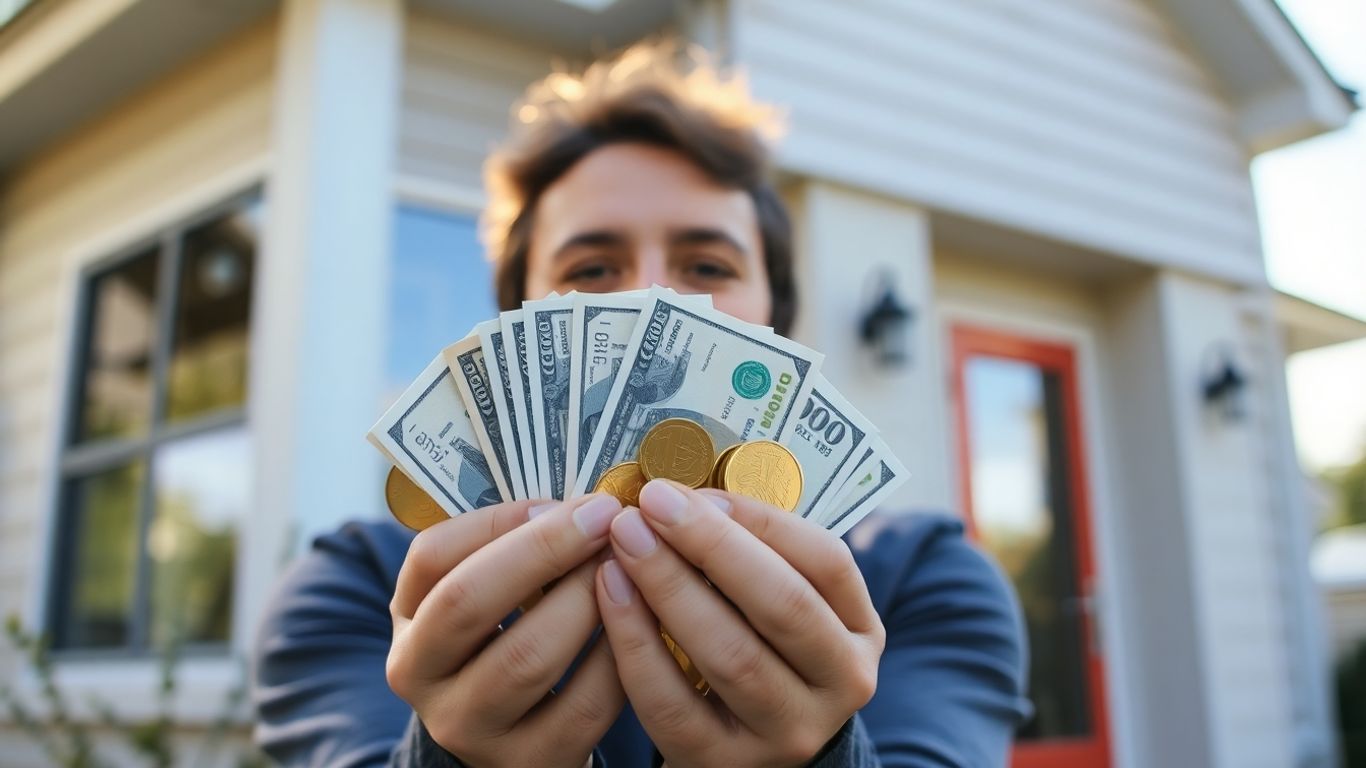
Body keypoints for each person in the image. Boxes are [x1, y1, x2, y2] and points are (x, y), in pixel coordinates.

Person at [253, 41, 1029, 767]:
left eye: (706, 263)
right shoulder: (353, 589)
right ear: (517, 318)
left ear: (774, 319)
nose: (651, 296)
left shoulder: (929, 582)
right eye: (592, 267)